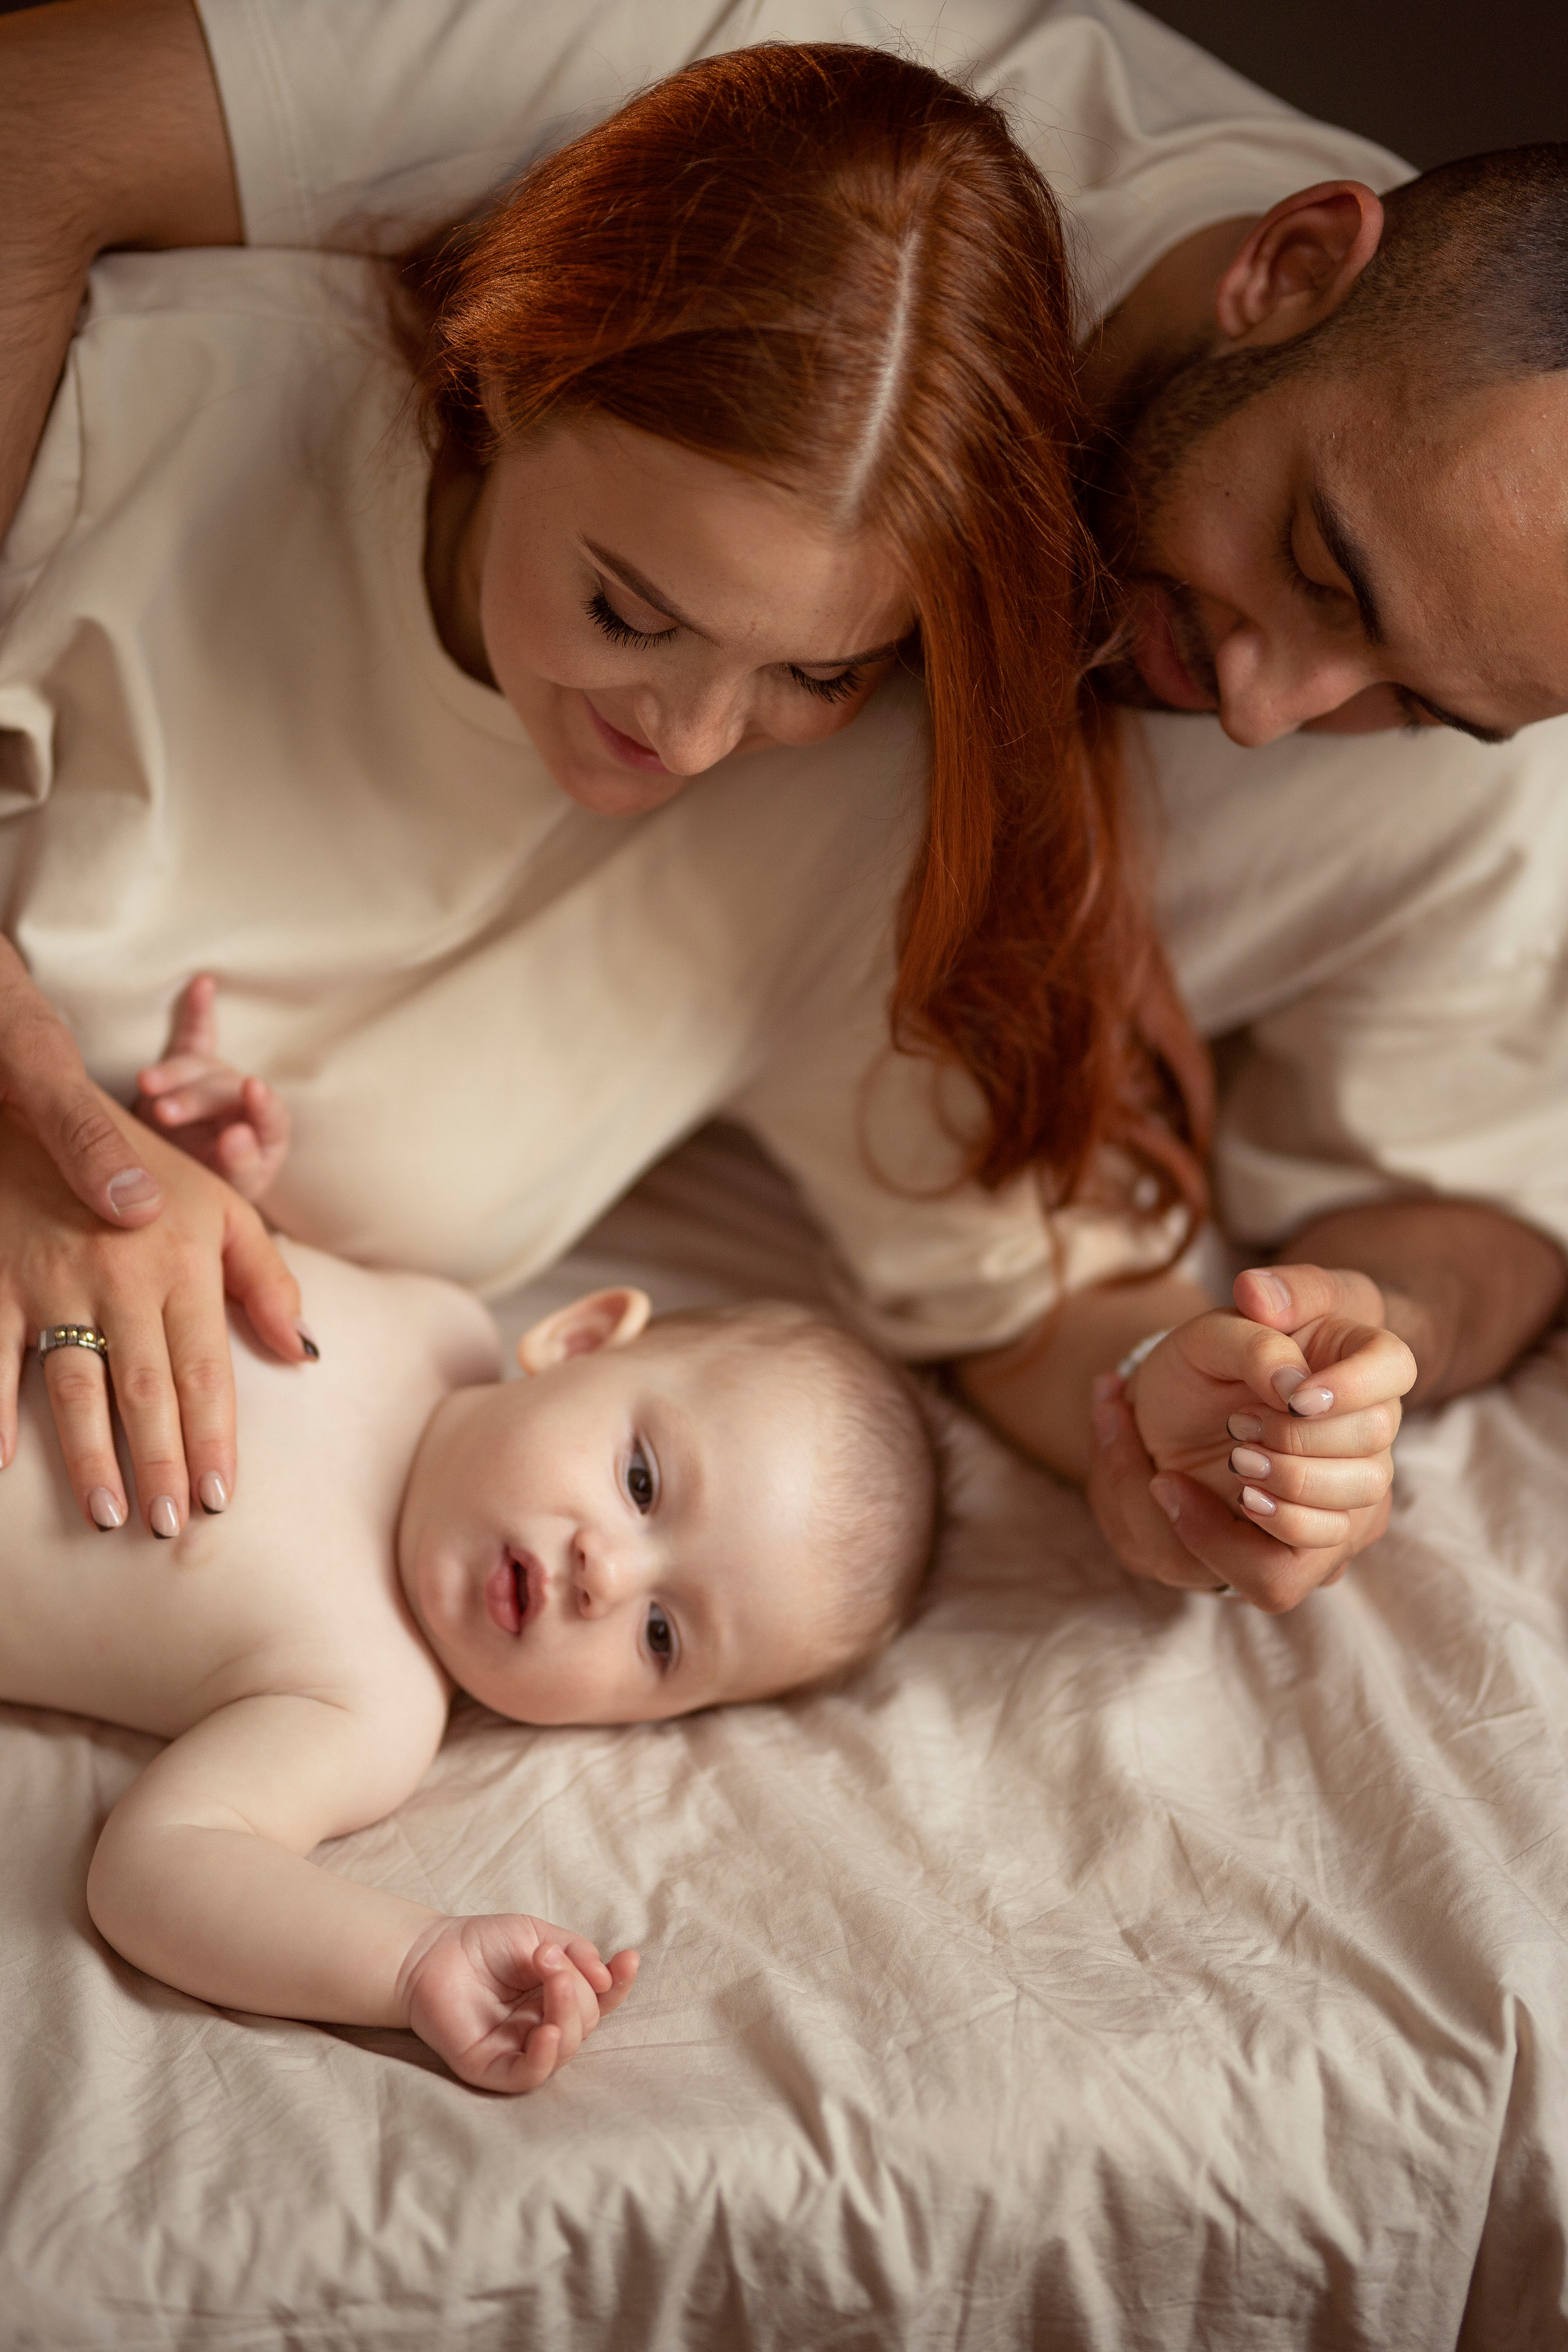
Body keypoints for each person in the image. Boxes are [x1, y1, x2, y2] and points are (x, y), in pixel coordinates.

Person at [1, 2, 1559, 1614]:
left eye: (823, 669)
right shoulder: (175, 423)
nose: (1261, 717)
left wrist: (1210, 1407)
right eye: (628, 609)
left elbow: (1036, 1295)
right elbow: (40, 112)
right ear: (512, 374)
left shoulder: (892, 815)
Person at [0, 982, 1412, 2089]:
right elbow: (199, 1252)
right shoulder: (431, 1317)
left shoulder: (362, 1702)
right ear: (575, 1337)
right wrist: (188, 1163)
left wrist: (410, 1959)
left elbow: (161, 1867)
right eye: (637, 1479)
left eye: (663, 1638)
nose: (605, 1573)